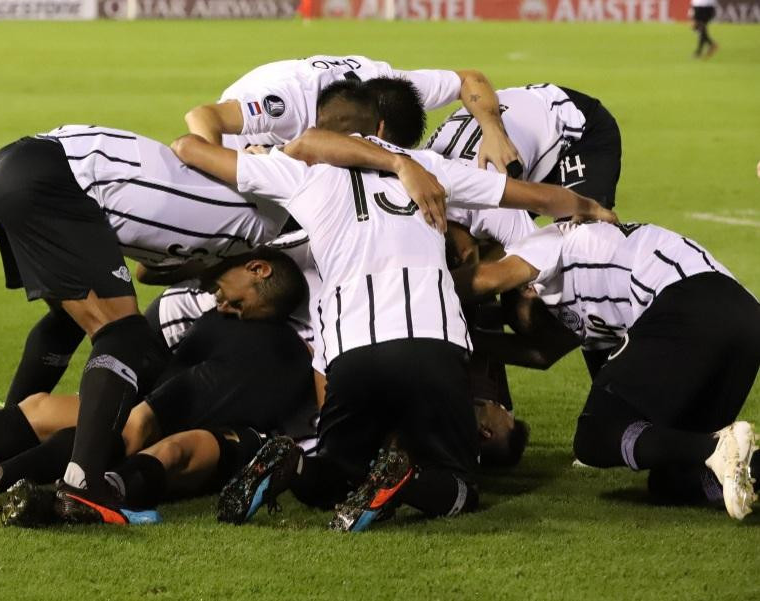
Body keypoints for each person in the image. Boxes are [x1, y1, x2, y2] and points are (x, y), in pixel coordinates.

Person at [168, 116, 616, 531]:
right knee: (459, 486)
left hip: (350, 348)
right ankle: (408, 480)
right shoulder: (430, 168)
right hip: (431, 340)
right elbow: (535, 196)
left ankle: (293, 462)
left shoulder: (305, 174)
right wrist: (591, 208)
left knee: (336, 475)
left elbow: (188, 146)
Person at [0, 249, 313, 521]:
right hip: (196, 389)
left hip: (232, 411)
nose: (222, 303)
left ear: (260, 270)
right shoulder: (219, 292)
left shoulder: (280, 330)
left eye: (233, 303)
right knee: (46, 410)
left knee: (129, 433)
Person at [454, 218, 760, 520]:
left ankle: (717, 446)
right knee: (676, 480)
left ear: (529, 289)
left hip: (692, 304)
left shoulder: (540, 249)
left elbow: (489, 279)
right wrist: (462, 339)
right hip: (743, 322)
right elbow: (542, 353)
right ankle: (736, 458)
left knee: (594, 435)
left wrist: (422, 290)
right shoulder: (582, 293)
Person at [184, 54, 524, 175]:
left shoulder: (389, 86)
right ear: (377, 129)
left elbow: (469, 79)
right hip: (240, 160)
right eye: (379, 145)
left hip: (293, 159)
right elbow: (202, 117)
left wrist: (493, 132)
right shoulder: (286, 103)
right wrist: (230, 173)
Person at [426, 83, 621, 209]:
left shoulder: (487, 203)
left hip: (574, 124)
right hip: (521, 122)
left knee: (584, 240)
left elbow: (528, 260)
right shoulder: (415, 182)